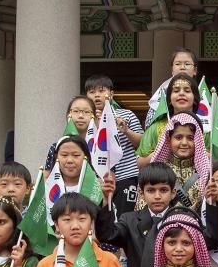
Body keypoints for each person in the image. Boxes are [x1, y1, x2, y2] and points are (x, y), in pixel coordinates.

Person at [85, 74, 143, 215]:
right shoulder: (85, 119)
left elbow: (142, 142)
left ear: (111, 93)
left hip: (126, 177)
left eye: (101, 90)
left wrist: (126, 130)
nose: (97, 95)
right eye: (92, 92)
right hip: (95, 181)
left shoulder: (126, 115)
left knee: (125, 218)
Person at [142, 112, 211, 211]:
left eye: (190, 138)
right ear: (169, 139)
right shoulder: (155, 170)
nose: (184, 143)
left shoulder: (207, 172)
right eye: (178, 137)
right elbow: (142, 210)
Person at [137, 73, 201, 166]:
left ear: (195, 98)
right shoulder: (156, 128)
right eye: (176, 91)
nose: (181, 93)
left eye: (187, 91)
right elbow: (140, 164)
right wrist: (164, 149)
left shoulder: (206, 128)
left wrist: (199, 151)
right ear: (170, 99)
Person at [144, 48, 198, 128]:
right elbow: (148, 126)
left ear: (195, 70)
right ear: (172, 69)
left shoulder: (203, 93)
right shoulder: (161, 95)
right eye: (177, 64)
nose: (182, 67)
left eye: (187, 64)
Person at [44, 97, 96, 173]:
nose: (81, 116)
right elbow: (48, 176)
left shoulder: (102, 147)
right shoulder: (56, 147)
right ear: (68, 115)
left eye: (87, 112)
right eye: (76, 111)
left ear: (94, 116)